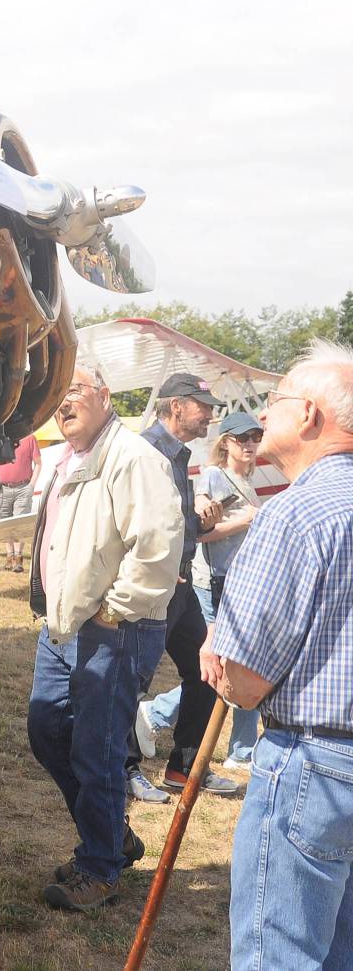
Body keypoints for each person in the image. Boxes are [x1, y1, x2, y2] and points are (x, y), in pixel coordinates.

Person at [203, 339, 353, 970]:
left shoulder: (295, 512)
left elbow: (244, 682)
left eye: (276, 399)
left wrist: (218, 656)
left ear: (311, 415)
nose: (263, 414)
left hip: (315, 765)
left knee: (281, 955)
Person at [26, 363, 183, 911]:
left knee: (99, 748)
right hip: (65, 624)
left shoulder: (134, 456)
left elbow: (158, 546)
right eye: (56, 394)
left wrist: (115, 611)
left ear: (105, 395)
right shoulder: (69, 458)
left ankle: (100, 868)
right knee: (47, 730)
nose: (63, 404)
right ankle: (111, 836)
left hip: (115, 628)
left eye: (72, 390)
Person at [125, 373, 239, 800]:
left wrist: (199, 517)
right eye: (203, 406)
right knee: (131, 680)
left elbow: (172, 522)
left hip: (181, 584)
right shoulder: (146, 451)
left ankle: (184, 767)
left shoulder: (175, 453)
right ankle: (123, 769)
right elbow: (129, 518)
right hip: (156, 584)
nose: (210, 415)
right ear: (176, 406)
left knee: (208, 670)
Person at [134, 411, 263, 768]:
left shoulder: (244, 480)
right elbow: (200, 531)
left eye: (256, 437)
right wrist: (245, 520)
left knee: (233, 664)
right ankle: (154, 715)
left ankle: (234, 752)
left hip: (227, 583)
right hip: (209, 583)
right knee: (215, 665)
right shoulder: (213, 476)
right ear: (226, 442)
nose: (250, 444)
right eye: (243, 438)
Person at [0, 432, 42, 572]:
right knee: (4, 523)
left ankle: (18, 560)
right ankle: (9, 558)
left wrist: (31, 486)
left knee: (19, 523)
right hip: (4, 488)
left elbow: (38, 463)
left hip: (23, 488)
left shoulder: (29, 438)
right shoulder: (0, 437)